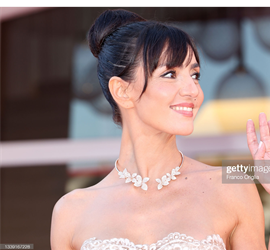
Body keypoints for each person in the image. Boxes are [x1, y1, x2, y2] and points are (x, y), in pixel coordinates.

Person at [50, 9, 270, 250]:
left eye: (194, 75)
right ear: (122, 91)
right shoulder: (71, 211)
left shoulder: (233, 185)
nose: (193, 90)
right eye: (170, 74)